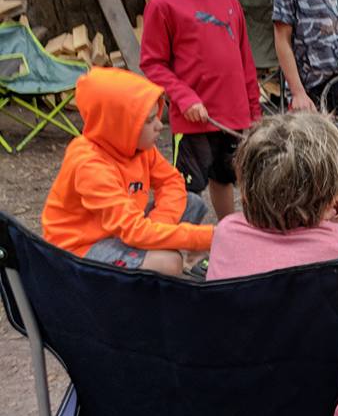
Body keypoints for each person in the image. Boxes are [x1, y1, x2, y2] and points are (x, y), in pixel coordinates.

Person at [206, 112, 338, 416]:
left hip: (240, 397)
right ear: (330, 191)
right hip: (320, 414)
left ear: (246, 182)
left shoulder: (226, 232)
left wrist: (320, 217)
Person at [141, 0, 261, 220]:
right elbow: (152, 64)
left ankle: (230, 235)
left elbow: (245, 60)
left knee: (228, 178)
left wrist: (254, 111)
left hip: (234, 118)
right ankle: (181, 242)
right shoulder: (163, 4)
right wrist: (184, 98)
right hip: (193, 122)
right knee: (185, 187)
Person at [42, 68, 213, 277]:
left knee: (191, 202)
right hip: (79, 249)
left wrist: (159, 223)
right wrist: (211, 237)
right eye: (149, 120)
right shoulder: (90, 165)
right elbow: (134, 230)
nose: (160, 125)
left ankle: (168, 256)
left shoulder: (138, 147)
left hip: (123, 229)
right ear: (119, 125)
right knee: (169, 263)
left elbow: (171, 181)